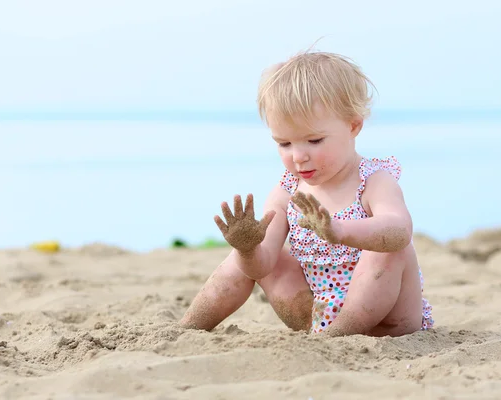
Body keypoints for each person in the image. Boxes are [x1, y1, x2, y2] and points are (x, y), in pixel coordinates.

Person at [178, 48, 434, 337]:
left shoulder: (374, 180)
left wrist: (339, 230)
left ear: (353, 125)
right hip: (315, 316)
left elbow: (400, 230)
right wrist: (248, 250)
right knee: (248, 259)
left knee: (387, 249)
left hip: (388, 322)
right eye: (284, 144)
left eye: (314, 140)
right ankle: (186, 329)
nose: (298, 156)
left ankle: (340, 334)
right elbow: (260, 266)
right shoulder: (288, 190)